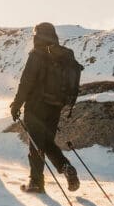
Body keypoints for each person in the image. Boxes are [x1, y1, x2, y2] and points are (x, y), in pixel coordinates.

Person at [10, 22, 80, 194]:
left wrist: (16, 104)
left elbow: (26, 82)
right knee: (47, 142)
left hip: (36, 107)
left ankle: (36, 182)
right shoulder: (63, 55)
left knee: (36, 145)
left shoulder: (37, 55)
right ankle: (66, 167)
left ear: (37, 35)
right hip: (55, 106)